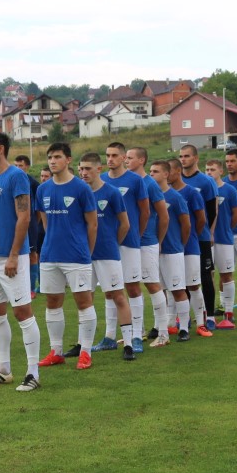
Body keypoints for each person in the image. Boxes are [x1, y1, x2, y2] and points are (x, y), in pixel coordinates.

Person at [0, 132, 43, 391]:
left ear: (0, 149)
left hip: (12, 257)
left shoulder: (17, 177)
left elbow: (24, 218)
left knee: (22, 312)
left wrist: (14, 255)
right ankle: (4, 370)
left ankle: (33, 373)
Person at [34, 142, 99, 369]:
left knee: (83, 302)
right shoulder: (42, 189)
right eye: (50, 157)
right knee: (52, 303)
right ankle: (56, 351)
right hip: (50, 255)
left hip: (76, 255)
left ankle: (86, 352)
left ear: (68, 160)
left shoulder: (81, 188)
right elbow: (45, 222)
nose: (53, 161)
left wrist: (86, 252)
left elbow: (92, 224)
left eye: (57, 157)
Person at [77, 152, 135, 360]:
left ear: (98, 169)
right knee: (85, 299)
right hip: (83, 255)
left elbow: (125, 224)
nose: (83, 173)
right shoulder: (78, 192)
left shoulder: (111, 193)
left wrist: (112, 243)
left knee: (118, 296)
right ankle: (82, 344)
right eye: (81, 168)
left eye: (88, 169)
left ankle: (128, 344)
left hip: (107, 253)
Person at [103, 142, 151, 355]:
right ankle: (109, 337)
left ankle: (137, 335)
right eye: (107, 155)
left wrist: (136, 236)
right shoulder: (101, 179)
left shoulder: (135, 180)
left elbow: (145, 212)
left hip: (129, 242)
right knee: (109, 291)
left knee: (132, 288)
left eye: (114, 155)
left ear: (124, 158)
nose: (110, 159)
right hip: (106, 244)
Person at [127, 146, 170, 342]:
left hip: (147, 242)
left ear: (141, 160)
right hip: (129, 243)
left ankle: (163, 332)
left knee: (152, 284)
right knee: (131, 286)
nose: (126, 160)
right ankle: (138, 331)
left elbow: (163, 215)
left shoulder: (150, 184)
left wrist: (157, 241)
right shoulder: (127, 181)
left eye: (130, 157)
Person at [150, 159, 192, 344]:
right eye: (150, 171)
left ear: (166, 174)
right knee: (159, 291)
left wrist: (179, 245)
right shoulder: (149, 195)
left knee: (178, 289)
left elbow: (186, 224)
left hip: (172, 249)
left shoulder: (175, 197)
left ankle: (184, 327)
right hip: (152, 250)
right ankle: (161, 326)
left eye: (156, 171)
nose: (151, 175)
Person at [169, 159, 211, 337]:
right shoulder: (162, 193)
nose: (164, 174)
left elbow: (201, 219)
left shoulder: (191, 193)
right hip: (171, 247)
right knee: (173, 286)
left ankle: (201, 324)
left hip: (190, 246)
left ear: (177, 171)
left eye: (168, 170)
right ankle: (173, 323)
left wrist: (190, 237)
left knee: (193, 285)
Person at [179, 145, 218, 329]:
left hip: (200, 238)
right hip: (181, 238)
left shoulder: (206, 181)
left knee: (204, 276)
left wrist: (204, 232)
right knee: (184, 279)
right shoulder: (176, 179)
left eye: (187, 156)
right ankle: (185, 317)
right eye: (181, 156)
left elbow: (211, 211)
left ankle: (209, 315)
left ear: (196, 158)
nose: (183, 159)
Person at [206, 158, 237, 328]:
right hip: (206, 240)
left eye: (212, 169)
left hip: (225, 239)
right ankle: (209, 313)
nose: (209, 172)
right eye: (207, 169)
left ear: (221, 171)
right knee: (208, 276)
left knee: (226, 275)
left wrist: (226, 228)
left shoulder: (230, 190)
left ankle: (228, 312)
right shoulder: (204, 190)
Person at [13, 154, 42, 294]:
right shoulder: (12, 180)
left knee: (32, 254)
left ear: (27, 167)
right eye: (16, 165)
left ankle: (30, 289)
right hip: (16, 224)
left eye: (21, 165)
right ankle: (19, 287)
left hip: (30, 224)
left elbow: (38, 209)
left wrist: (33, 223)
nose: (18, 168)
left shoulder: (34, 183)